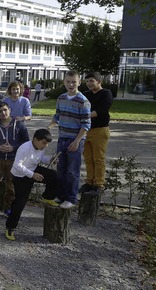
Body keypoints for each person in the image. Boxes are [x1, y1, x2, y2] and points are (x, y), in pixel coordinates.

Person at [5, 129, 59, 241]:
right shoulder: (24, 148)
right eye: (44, 142)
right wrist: (32, 175)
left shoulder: (39, 147)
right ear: (35, 139)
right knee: (20, 203)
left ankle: (47, 197)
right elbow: (17, 165)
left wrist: (50, 159)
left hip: (33, 170)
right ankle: (10, 228)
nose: (46, 145)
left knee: (55, 176)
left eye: (47, 143)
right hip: (20, 177)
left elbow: (40, 159)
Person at [48, 70, 91, 209]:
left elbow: (86, 124)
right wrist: (50, 125)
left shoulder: (83, 101)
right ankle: (61, 196)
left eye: (74, 82)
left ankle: (71, 198)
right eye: (68, 81)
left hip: (75, 140)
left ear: (79, 82)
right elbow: (57, 116)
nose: (71, 84)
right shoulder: (61, 98)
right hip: (62, 139)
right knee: (61, 169)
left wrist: (77, 141)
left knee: (72, 171)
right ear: (64, 82)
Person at [80, 72, 113, 193]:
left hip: (100, 130)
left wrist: (84, 116)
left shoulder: (106, 93)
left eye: (91, 81)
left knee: (98, 158)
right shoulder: (85, 94)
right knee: (88, 158)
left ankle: (99, 184)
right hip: (85, 130)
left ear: (99, 82)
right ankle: (89, 182)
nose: (88, 83)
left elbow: (101, 110)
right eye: (87, 81)